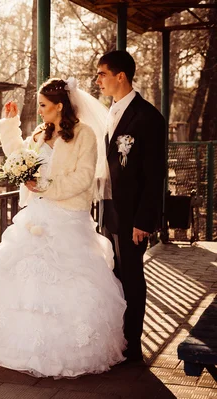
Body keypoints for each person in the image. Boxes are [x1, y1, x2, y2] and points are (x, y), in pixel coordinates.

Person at [0, 78, 127, 378]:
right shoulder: (40, 133)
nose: (39, 111)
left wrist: (45, 186)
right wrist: (9, 124)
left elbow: (83, 178)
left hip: (67, 217)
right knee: (22, 279)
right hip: (36, 215)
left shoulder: (84, 135)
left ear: (59, 106)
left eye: (42, 105)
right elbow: (18, 157)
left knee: (66, 283)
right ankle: (17, 351)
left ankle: (66, 353)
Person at [96, 50, 166, 363]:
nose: (98, 80)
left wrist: (143, 220)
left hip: (132, 215)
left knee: (133, 277)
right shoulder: (107, 112)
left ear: (120, 76)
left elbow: (155, 175)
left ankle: (133, 345)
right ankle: (116, 338)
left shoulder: (149, 117)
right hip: (106, 208)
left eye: (102, 74)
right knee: (112, 274)